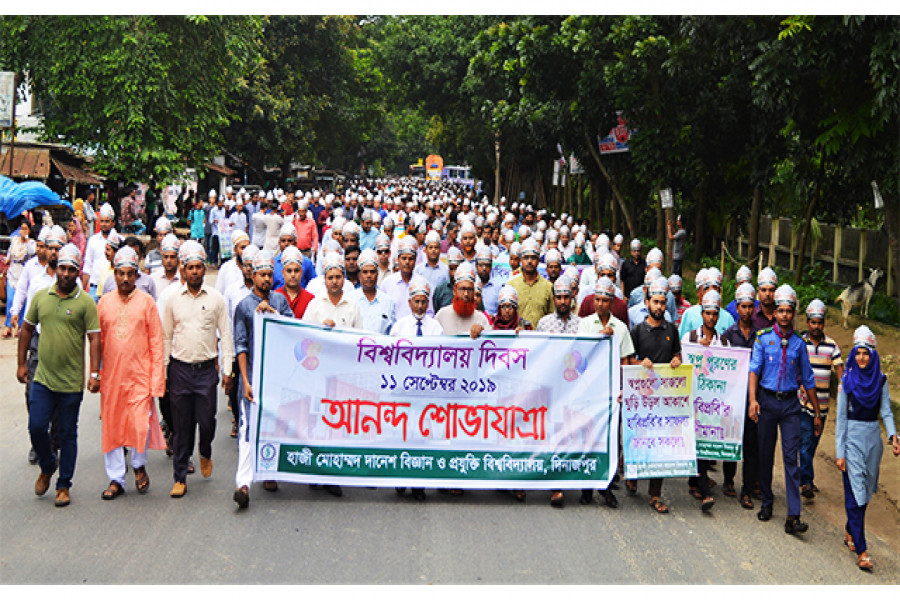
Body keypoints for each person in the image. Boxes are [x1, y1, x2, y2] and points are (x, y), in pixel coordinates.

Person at [18, 244, 100, 508]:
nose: (66, 273)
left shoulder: (86, 303)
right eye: (62, 268)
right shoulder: (42, 297)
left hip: (70, 382)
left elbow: (95, 339)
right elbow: (27, 330)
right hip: (43, 378)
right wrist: (21, 364)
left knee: (67, 434)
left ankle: (64, 484)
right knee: (36, 426)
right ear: (56, 270)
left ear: (78, 272)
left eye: (71, 269)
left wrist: (95, 372)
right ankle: (47, 464)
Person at [161, 240, 234, 498]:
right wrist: (165, 370)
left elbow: (226, 335)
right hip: (180, 369)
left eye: (198, 267)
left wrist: (228, 370)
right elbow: (166, 337)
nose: (194, 272)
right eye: (189, 267)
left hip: (206, 371)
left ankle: (205, 450)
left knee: (207, 422)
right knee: (181, 427)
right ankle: (179, 477)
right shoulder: (172, 300)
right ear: (183, 269)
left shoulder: (216, 299)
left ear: (204, 270)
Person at [747, 284, 819, 534]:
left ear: (794, 313)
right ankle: (767, 502)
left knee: (791, 458)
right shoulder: (763, 338)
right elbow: (754, 370)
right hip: (767, 402)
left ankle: (793, 515)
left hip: (790, 405)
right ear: (774, 312)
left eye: (789, 311)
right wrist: (753, 400)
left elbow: (808, 379)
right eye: (781, 310)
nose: (785, 315)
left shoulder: (799, 344)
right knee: (765, 454)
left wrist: (817, 413)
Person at [97, 246, 166, 500]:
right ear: (114, 275)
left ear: (137, 275)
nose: (125, 279)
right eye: (120, 274)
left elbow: (156, 342)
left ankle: (138, 464)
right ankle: (116, 478)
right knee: (113, 427)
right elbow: (97, 343)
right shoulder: (103, 304)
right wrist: (95, 374)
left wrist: (157, 379)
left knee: (140, 425)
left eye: (130, 274)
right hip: (113, 377)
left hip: (140, 375)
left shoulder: (147, 303)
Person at [834, 325, 899, 572]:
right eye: (858, 353)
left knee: (867, 491)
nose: (862, 358)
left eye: (866, 353)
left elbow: (885, 411)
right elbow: (840, 420)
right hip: (851, 439)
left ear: (873, 355)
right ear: (853, 354)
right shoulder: (846, 383)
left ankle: (851, 529)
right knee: (855, 495)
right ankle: (862, 551)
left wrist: (893, 435)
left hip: (873, 441)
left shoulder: (880, 381)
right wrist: (840, 453)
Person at [232, 251, 294, 509]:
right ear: (253, 275)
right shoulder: (244, 306)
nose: (266, 279)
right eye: (262, 275)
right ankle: (243, 484)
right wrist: (245, 381)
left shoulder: (280, 302)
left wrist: (272, 315)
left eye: (270, 275)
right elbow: (241, 346)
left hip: (277, 379)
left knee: (273, 425)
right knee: (247, 430)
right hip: (253, 379)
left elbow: (293, 332)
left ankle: (268, 472)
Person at [577, 275, 634, 509]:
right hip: (589, 391)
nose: (600, 304)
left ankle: (607, 487)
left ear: (612, 303)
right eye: (597, 299)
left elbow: (628, 361)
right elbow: (577, 356)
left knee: (609, 440)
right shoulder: (585, 324)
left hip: (612, 393)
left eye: (605, 300)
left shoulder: (620, 328)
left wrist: (624, 389)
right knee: (587, 436)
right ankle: (586, 487)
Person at [626, 276, 682, 514]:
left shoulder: (672, 330)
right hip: (641, 397)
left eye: (663, 302)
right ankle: (633, 474)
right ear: (647, 302)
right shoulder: (638, 331)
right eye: (655, 302)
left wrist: (677, 360)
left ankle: (655, 495)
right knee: (640, 438)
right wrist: (641, 362)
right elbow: (629, 362)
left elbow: (677, 355)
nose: (659, 306)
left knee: (659, 444)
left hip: (664, 399)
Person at [391, 276, 442, 501]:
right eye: (416, 302)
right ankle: (401, 479)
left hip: (426, 391)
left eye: (424, 302)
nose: (420, 306)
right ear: (410, 302)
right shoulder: (399, 327)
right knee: (403, 435)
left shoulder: (435, 327)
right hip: (403, 390)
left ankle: (419, 484)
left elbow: (442, 357)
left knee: (422, 436)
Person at [681, 289, 728, 512]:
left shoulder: (724, 341)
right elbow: (680, 361)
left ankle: (697, 481)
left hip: (712, 400)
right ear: (702, 313)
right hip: (693, 397)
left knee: (705, 439)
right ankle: (703, 489)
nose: (711, 317)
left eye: (714, 314)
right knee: (695, 438)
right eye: (707, 313)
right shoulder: (689, 337)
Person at [536, 275, 581, 508]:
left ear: (572, 297)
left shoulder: (581, 324)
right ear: (553, 298)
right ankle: (555, 485)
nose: (563, 301)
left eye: (566, 296)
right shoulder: (544, 323)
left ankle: (575, 478)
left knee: (571, 434)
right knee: (552, 434)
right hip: (551, 388)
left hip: (574, 388)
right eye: (559, 297)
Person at [721, 282, 761, 509]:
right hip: (733, 396)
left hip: (753, 397)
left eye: (750, 307)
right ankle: (728, 479)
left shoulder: (761, 336)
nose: (746, 311)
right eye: (742, 306)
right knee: (730, 436)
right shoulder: (728, 335)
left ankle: (746, 488)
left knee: (751, 443)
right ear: (736, 307)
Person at [798, 298, 843, 500]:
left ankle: (803, 476)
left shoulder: (832, 345)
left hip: (823, 405)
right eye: (813, 322)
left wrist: (845, 389)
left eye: (819, 322)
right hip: (802, 403)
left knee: (813, 443)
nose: (816, 326)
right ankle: (806, 482)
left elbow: (841, 375)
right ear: (808, 322)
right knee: (806, 441)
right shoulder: (800, 342)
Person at [435, 262, 491, 338]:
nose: (466, 294)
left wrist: (482, 332)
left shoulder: (481, 319)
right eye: (462, 289)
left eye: (469, 289)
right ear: (454, 290)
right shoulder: (441, 315)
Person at [508, 238, 554, 328]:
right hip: (516, 339)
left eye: (533, 257)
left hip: (542, 339)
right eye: (526, 257)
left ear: (538, 260)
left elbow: (552, 318)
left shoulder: (548, 287)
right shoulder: (511, 285)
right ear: (521, 260)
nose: (529, 261)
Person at [353, 248, 395, 335]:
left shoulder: (388, 302)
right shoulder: (351, 299)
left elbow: (392, 333)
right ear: (359, 275)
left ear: (377, 274)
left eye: (372, 272)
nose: (369, 276)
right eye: (365, 272)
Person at [82, 203, 118, 301]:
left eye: (107, 221)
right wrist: (82, 290)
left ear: (113, 223)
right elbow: (87, 266)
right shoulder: (93, 240)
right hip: (94, 288)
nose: (104, 224)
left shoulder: (119, 240)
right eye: (102, 221)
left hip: (113, 288)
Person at [4, 223, 34, 338]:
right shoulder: (15, 241)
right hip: (13, 273)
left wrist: (26, 239)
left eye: (26, 229)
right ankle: (8, 326)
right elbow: (9, 255)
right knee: (11, 300)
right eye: (22, 229)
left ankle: (20, 327)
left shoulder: (31, 243)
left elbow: (32, 252)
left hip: (23, 273)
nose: (23, 231)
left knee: (22, 301)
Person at [275, 246, 316, 319]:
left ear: (301, 272)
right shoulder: (274, 297)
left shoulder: (311, 299)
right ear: (283, 273)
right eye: (289, 271)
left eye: (296, 271)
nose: (293, 275)